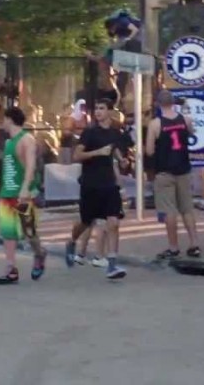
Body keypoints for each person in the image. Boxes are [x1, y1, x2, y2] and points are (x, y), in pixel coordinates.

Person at [64, 99, 128, 279]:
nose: (98, 111)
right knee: (86, 222)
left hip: (109, 183)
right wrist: (97, 153)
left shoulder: (115, 132)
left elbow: (114, 149)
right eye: (97, 108)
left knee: (113, 223)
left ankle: (112, 266)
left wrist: (121, 160)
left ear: (110, 112)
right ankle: (71, 242)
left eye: (102, 108)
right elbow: (77, 155)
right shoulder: (90, 132)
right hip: (91, 183)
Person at [148, 90, 202, 259]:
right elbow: (192, 132)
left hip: (164, 171)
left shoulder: (155, 124)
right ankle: (194, 244)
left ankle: (173, 247)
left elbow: (149, 151)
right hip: (183, 169)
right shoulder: (186, 120)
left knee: (169, 210)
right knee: (187, 208)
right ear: (173, 103)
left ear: (158, 104)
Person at [0, 106, 47, 285]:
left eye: (4, 119)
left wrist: (25, 188)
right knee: (7, 232)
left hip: (24, 194)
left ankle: (39, 254)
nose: (2, 123)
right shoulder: (8, 142)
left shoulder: (26, 139)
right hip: (7, 192)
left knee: (29, 232)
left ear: (10, 119)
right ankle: (11, 269)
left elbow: (31, 165)